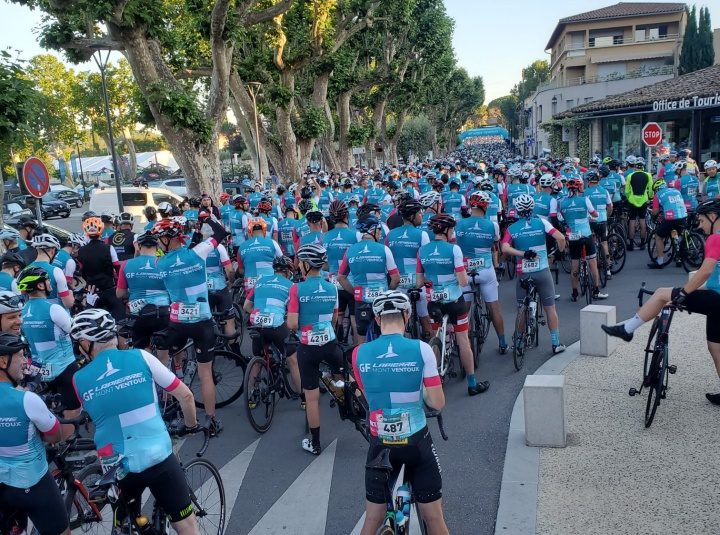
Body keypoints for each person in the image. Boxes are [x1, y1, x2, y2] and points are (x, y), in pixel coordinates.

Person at [69, 309, 202, 535]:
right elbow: (186, 396)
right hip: (156, 454)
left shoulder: (78, 379)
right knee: (187, 525)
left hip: (115, 464)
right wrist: (191, 425)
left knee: (125, 523)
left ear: (85, 342)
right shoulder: (141, 357)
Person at [602, 199, 720, 405]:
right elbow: (713, 281)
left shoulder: (715, 239)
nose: (700, 226)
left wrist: (683, 292)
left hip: (718, 301)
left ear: (713, 217)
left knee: (659, 293)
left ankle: (627, 330)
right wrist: (687, 293)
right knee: (715, 347)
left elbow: (706, 271)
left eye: (701, 220)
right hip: (716, 299)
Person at [353, 291, 448, 535]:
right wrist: (422, 392)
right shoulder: (422, 349)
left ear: (376, 319)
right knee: (434, 517)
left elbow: (367, 396)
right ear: (407, 315)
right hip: (416, 442)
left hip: (380, 444)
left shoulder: (358, 353)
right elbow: (437, 403)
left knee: (372, 517)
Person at [154, 215, 229, 436]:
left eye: (160, 239)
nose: (158, 243)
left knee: (167, 364)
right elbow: (220, 234)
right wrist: (207, 217)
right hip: (201, 322)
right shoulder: (198, 252)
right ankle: (211, 421)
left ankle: (172, 404)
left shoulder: (160, 263)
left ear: (168, 239)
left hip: (177, 322)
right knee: (205, 374)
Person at [0, 332, 70, 535]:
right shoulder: (27, 400)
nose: (25, 361)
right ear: (3, 361)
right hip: (33, 483)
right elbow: (55, 435)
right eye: (21, 355)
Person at [418, 214, 489, 395]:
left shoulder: (422, 251)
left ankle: (435, 379)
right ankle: (472, 383)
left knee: (435, 337)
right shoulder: (454, 249)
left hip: (433, 301)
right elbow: (463, 281)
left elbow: (419, 281)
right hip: (454, 302)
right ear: (447, 231)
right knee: (463, 340)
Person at [287, 244, 343, 455]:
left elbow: (292, 324)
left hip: (308, 348)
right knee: (343, 377)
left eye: (300, 262)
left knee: (311, 398)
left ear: (307, 265)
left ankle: (316, 443)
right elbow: (335, 318)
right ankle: (352, 406)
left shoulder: (297, 288)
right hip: (330, 343)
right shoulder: (331, 286)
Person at [17, 266, 82, 431]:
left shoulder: (22, 311)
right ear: (40, 285)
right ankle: (64, 443)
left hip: (38, 369)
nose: (49, 282)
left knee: (49, 409)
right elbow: (74, 331)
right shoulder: (53, 308)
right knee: (72, 409)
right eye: (46, 279)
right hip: (64, 366)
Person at [501, 194, 568, 354]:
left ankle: (518, 343)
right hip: (542, 271)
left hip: (523, 273)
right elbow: (560, 237)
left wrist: (522, 254)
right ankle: (555, 343)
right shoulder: (541, 222)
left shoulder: (512, 228)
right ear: (532, 208)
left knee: (521, 308)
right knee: (550, 308)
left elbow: (504, 248)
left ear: (517, 210)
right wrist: (560, 251)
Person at [243, 255, 301, 399]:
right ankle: (304, 397)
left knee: (257, 358)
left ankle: (252, 395)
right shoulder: (292, 286)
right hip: (276, 326)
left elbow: (246, 306)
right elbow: (293, 313)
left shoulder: (260, 281)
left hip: (256, 323)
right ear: (288, 272)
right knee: (292, 359)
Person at [457, 191, 507, 353]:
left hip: (465, 272)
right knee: (494, 308)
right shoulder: (493, 225)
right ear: (485, 207)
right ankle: (502, 342)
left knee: (464, 310)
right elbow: (495, 245)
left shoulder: (459, 224)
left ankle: (462, 343)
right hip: (485, 271)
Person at [337, 216, 400, 344]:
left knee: (361, 336)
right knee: (386, 336)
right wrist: (387, 292)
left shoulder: (350, 251)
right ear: (372, 231)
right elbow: (396, 278)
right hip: (381, 300)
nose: (380, 233)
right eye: (379, 230)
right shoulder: (384, 249)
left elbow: (341, 278)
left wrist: (355, 292)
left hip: (361, 300)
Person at [116, 231, 170, 360]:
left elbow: (119, 294)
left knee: (143, 351)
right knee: (163, 351)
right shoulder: (164, 263)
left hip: (137, 313)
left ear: (139, 246)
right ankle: (165, 374)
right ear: (157, 247)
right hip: (162, 312)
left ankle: (147, 369)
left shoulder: (126, 264)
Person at [556, 178, 608, 301]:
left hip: (573, 237)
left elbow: (561, 218)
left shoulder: (562, 203)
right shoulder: (585, 199)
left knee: (574, 265)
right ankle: (596, 291)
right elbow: (595, 214)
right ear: (579, 188)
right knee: (592, 263)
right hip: (586, 234)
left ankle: (574, 293)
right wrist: (590, 215)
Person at [78, 216, 126, 321]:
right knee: (121, 321)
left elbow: (82, 272)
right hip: (110, 289)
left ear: (86, 232)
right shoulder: (109, 248)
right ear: (101, 230)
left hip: (92, 292)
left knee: (93, 322)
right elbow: (118, 268)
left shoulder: (81, 251)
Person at [647, 178, 687, 269]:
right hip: (683, 215)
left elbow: (655, 211)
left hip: (671, 218)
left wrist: (653, 218)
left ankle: (660, 262)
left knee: (658, 236)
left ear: (657, 189)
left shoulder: (658, 194)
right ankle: (679, 256)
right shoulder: (676, 191)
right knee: (676, 233)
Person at [27, 234, 75, 309]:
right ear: (52, 250)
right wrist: (71, 294)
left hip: (33, 313)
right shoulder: (56, 271)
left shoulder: (25, 270)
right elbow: (68, 304)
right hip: (55, 314)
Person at [624, 160, 653, 249]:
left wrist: (629, 198)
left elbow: (627, 191)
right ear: (643, 168)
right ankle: (643, 244)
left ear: (635, 168)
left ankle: (631, 244)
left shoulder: (630, 176)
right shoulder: (648, 175)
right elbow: (650, 189)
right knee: (642, 220)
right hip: (643, 200)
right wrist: (649, 197)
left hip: (632, 200)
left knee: (632, 221)